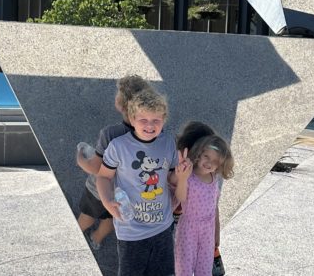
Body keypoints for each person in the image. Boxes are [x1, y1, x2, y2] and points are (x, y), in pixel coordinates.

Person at [96, 87, 179, 276]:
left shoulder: (168, 143)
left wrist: (181, 175)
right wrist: (108, 202)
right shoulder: (118, 146)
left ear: (164, 120)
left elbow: (171, 177)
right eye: (143, 120)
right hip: (131, 231)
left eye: (156, 120)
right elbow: (103, 176)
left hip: (163, 227)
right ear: (132, 120)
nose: (150, 125)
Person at [76, 75, 151, 250]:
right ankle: (96, 238)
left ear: (121, 104)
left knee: (88, 214)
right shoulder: (152, 134)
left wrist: (80, 158)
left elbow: (95, 167)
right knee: (111, 217)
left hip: (99, 191)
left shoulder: (110, 134)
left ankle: (75, 237)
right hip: (126, 194)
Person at [172, 135, 234, 276]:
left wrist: (216, 231)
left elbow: (214, 206)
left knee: (205, 269)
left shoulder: (214, 178)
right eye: (207, 156)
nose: (209, 163)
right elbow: (180, 198)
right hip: (189, 228)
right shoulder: (189, 176)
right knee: (184, 268)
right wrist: (182, 179)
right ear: (199, 154)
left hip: (208, 229)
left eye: (215, 161)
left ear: (220, 164)